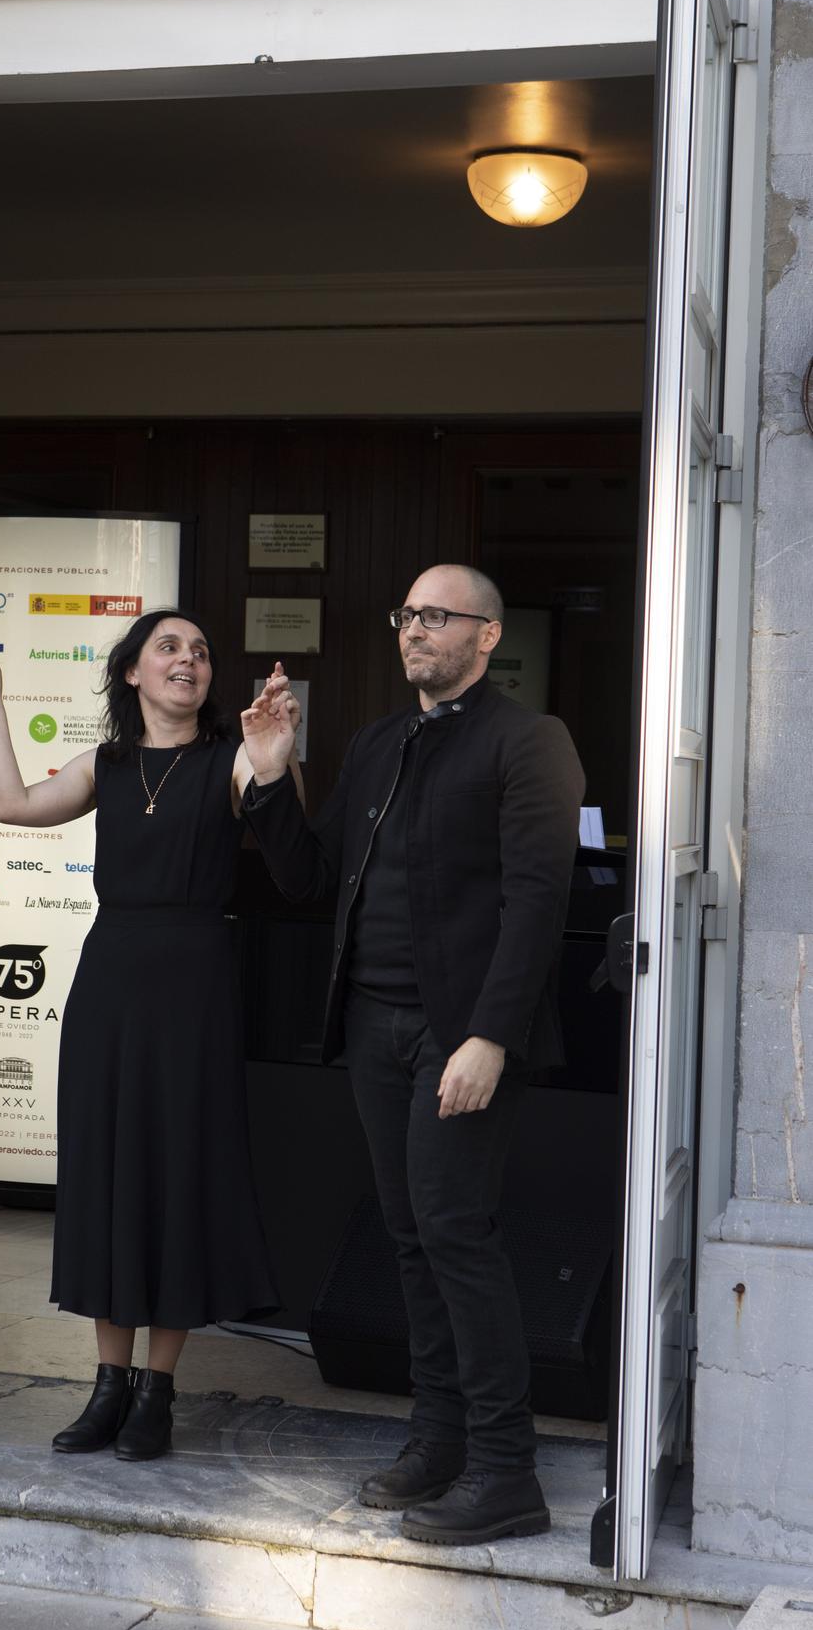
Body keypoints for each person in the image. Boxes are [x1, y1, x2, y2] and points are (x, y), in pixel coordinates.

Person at [240, 564, 584, 1545]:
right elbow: (311, 879)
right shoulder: (380, 741)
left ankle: (505, 1468)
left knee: (453, 1230)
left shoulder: (529, 741)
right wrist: (270, 772)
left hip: (459, 1031)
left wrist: (489, 1033)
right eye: (405, 615)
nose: (413, 630)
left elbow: (536, 901)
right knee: (408, 1235)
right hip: (373, 1027)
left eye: (435, 615)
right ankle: (436, 1440)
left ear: (485, 633)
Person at [0, 611, 279, 1461]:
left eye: (201, 650)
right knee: (111, 1171)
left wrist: (275, 757)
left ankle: (157, 1392)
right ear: (133, 673)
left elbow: (283, 836)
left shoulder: (231, 760)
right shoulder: (106, 764)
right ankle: (106, 1385)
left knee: (175, 1172)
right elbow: (13, 804)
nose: (189, 660)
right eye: (169, 648)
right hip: (109, 981)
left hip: (195, 985)